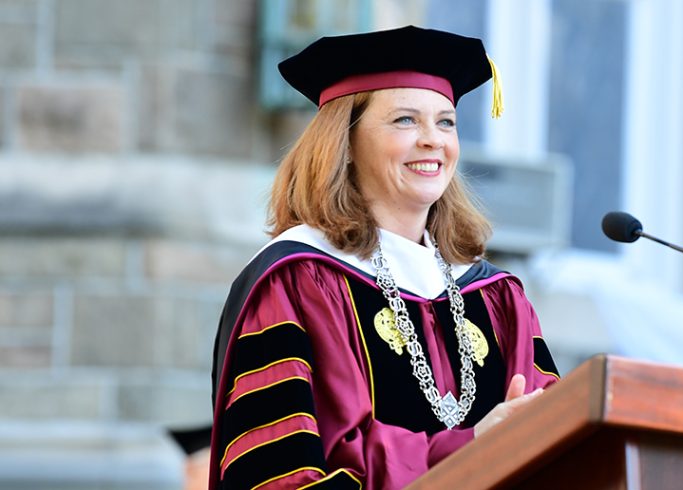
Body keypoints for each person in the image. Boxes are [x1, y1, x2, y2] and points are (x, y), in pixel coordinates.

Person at [208, 26, 560, 490]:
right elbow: (277, 474)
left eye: (446, 122)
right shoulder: (296, 281)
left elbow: (561, 447)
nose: (433, 140)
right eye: (405, 121)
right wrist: (471, 444)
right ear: (346, 145)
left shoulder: (499, 300)